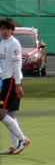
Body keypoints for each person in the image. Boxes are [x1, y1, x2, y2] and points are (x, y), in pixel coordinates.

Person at [0, 18, 30, 155]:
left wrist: (18, 84)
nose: (4, 31)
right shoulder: (2, 43)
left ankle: (22, 139)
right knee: (10, 113)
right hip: (6, 80)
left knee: (1, 113)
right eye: (2, 29)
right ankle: (14, 145)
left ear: (12, 31)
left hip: (12, 81)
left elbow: (17, 65)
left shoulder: (14, 43)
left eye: (7, 29)